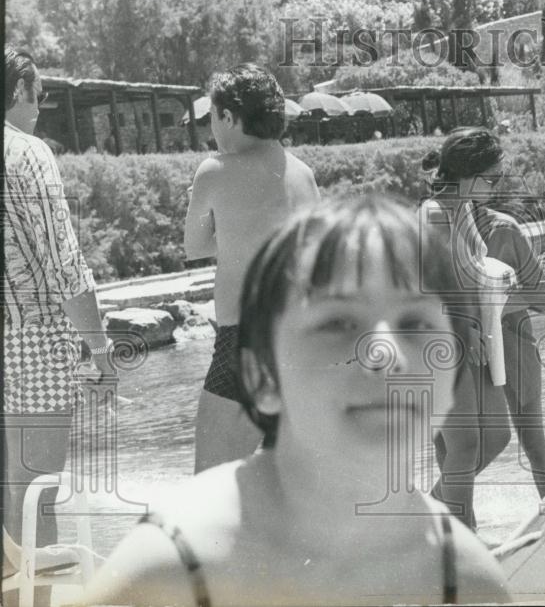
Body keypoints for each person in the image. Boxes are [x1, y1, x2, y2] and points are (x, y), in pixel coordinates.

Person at [80, 196, 510, 606]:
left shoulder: (463, 578)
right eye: (338, 322)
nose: (385, 353)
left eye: (416, 323)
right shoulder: (173, 566)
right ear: (261, 377)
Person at [3, 47, 114, 607]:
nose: (42, 106)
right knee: (35, 494)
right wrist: (101, 353)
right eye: (40, 94)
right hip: (32, 337)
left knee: (6, 498)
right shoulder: (26, 153)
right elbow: (65, 266)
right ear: (18, 90)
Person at [185, 64, 319, 473]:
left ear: (230, 117)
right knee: (286, 483)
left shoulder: (215, 171)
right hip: (302, 338)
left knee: (210, 483)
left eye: (213, 117)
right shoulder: (303, 174)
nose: (212, 129)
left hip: (245, 339)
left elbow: (194, 247)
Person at [420, 129, 515, 532]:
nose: (496, 186)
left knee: (495, 436)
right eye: (490, 179)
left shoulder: (460, 209)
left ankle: (440, 518)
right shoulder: (435, 212)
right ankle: (457, 537)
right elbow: (434, 283)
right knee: (464, 446)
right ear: (467, 173)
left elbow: (467, 270)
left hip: (470, 337)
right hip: (441, 339)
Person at [470, 144, 545, 502]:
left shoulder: (504, 230)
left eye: (493, 179)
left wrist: (491, 308)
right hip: (469, 350)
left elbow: (540, 296)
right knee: (465, 443)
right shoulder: (439, 230)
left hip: (513, 345)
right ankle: (461, 526)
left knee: (532, 440)